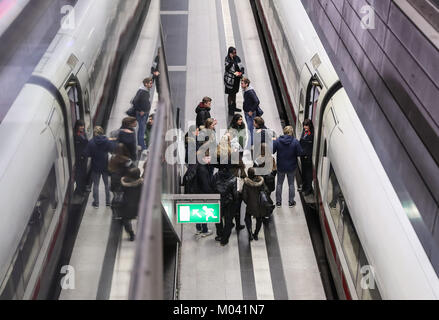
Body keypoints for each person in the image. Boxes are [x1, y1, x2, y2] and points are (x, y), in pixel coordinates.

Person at [84, 126, 115, 208]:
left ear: (94, 133)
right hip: (105, 165)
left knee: (96, 185)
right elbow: (112, 149)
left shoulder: (91, 142)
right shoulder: (107, 141)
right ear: (102, 132)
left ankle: (96, 203)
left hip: (95, 166)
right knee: (107, 184)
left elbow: (87, 154)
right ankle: (108, 202)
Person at [273, 126, 303, 208]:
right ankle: (291, 202)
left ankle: (278, 202)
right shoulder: (295, 142)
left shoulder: (278, 141)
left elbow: (272, 150)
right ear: (291, 132)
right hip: (291, 167)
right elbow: (300, 153)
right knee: (291, 184)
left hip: (281, 166)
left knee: (279, 184)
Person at [213, 165, 239, 246]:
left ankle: (220, 234)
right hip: (229, 202)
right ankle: (224, 240)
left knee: (218, 218)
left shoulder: (216, 176)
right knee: (228, 221)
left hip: (217, 200)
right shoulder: (233, 179)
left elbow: (212, 186)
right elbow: (235, 194)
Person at [242, 168, 268, 241]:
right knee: (259, 220)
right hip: (260, 204)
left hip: (250, 204)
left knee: (247, 218)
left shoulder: (247, 183)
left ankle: (250, 233)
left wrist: (248, 202)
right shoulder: (261, 181)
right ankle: (256, 234)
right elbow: (266, 190)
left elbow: (244, 196)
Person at [253, 143, 277, 224]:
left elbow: (254, 171)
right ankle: (267, 214)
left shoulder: (257, 159)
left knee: (260, 197)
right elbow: (275, 170)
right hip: (269, 182)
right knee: (267, 197)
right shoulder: (271, 158)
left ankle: (260, 212)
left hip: (261, 182)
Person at [194, 150, 215, 238]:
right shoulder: (203, 169)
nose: (209, 159)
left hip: (196, 191)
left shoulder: (198, 165)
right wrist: (211, 193)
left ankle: (199, 229)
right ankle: (205, 230)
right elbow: (205, 184)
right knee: (203, 210)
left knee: (198, 210)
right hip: (202, 193)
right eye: (208, 157)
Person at [120, 168, 143, 241]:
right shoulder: (141, 183)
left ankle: (131, 234)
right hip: (139, 205)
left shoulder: (125, 182)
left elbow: (121, 190)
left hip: (127, 204)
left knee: (126, 220)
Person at [132, 77, 153, 151]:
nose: (151, 84)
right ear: (146, 84)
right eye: (150, 83)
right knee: (142, 130)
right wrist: (140, 110)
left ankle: (140, 145)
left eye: (152, 83)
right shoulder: (142, 91)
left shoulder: (145, 90)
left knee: (141, 130)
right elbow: (134, 101)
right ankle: (142, 147)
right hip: (142, 114)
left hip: (145, 113)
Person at [224, 47, 244, 115]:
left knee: (234, 93)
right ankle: (230, 109)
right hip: (230, 80)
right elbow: (227, 69)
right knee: (230, 94)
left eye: (235, 52)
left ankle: (234, 107)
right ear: (230, 53)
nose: (235, 54)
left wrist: (241, 72)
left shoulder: (237, 58)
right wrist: (231, 61)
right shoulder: (227, 59)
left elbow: (241, 66)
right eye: (233, 53)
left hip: (236, 79)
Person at [241, 78, 260, 146]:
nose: (241, 84)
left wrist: (251, 111)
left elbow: (257, 101)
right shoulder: (246, 90)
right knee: (250, 127)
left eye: (242, 83)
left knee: (250, 128)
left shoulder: (250, 92)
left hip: (250, 114)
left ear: (247, 84)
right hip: (247, 112)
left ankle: (251, 142)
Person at [299, 119, 314, 196]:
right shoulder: (304, 131)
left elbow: (310, 147)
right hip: (302, 156)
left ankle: (308, 190)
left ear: (309, 126)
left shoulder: (312, 135)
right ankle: (304, 186)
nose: (305, 127)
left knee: (308, 174)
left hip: (308, 157)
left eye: (306, 126)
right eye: (304, 126)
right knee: (304, 173)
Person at [74, 120, 88, 195]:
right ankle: (80, 191)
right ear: (77, 127)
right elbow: (78, 149)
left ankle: (84, 187)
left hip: (84, 157)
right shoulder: (76, 136)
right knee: (79, 175)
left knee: (84, 173)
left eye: (83, 126)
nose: (82, 127)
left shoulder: (83, 133)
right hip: (79, 158)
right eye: (81, 126)